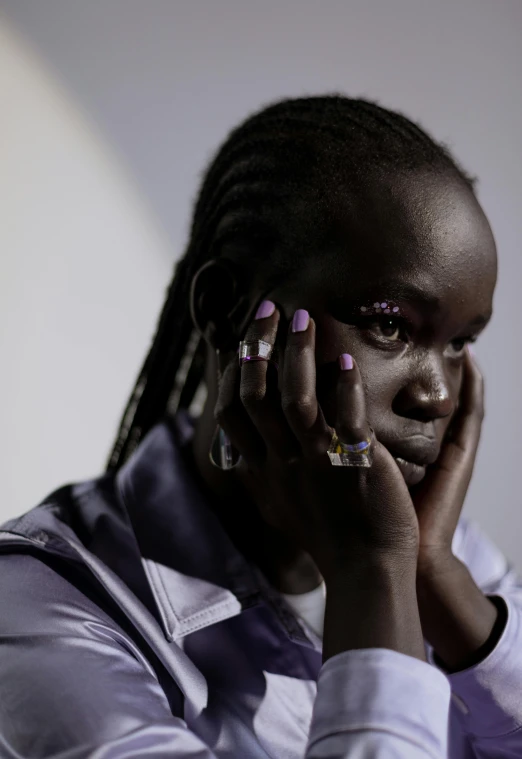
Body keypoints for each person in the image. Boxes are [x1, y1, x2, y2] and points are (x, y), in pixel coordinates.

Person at [0, 95, 520, 759]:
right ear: (224, 310)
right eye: (389, 324)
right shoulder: (40, 611)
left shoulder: (449, 550)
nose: (438, 393)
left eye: (460, 342)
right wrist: (372, 577)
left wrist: (442, 585)